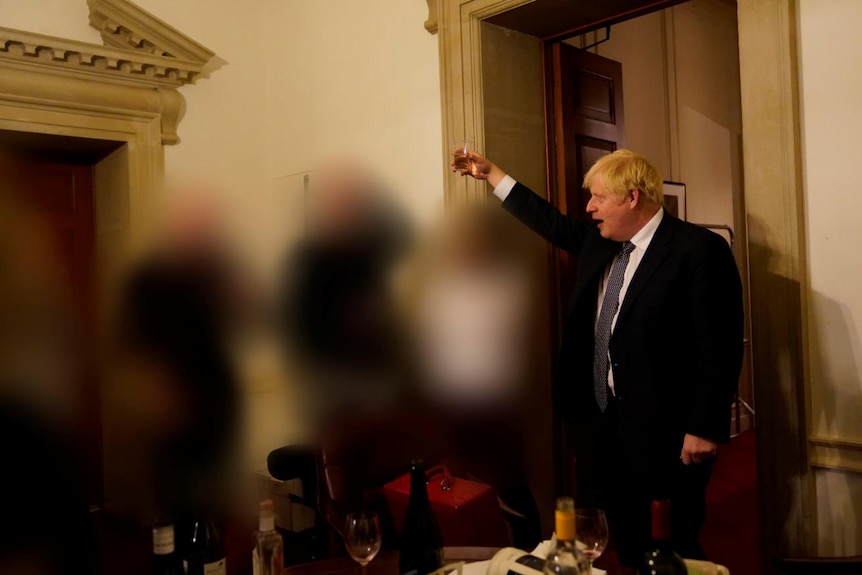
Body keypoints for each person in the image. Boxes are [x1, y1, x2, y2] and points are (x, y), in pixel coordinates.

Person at [456, 149, 743, 566]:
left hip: (667, 433)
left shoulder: (698, 250)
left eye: (597, 197)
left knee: (672, 546)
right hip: (602, 427)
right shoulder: (601, 241)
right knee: (623, 539)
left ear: (631, 197)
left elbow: (718, 345)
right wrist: (493, 175)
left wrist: (703, 426)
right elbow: (548, 221)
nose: (589, 207)